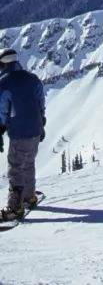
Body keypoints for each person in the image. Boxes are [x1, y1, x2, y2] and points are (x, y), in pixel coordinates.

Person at [0, 49, 46, 222]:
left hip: (19, 132)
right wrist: (41, 123)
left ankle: (14, 208)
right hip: (36, 130)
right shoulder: (32, 78)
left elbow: (2, 110)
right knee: (28, 164)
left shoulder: (4, 83)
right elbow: (41, 102)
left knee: (16, 168)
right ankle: (29, 197)